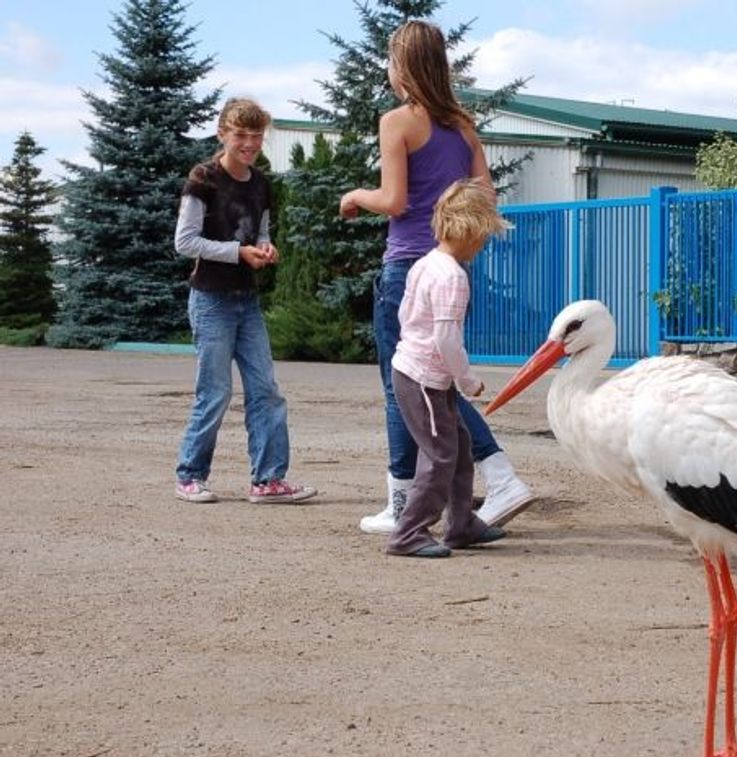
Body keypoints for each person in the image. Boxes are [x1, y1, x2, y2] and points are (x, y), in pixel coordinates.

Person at [339, 19, 534, 534]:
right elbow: (487, 199)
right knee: (437, 383)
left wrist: (356, 197)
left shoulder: (398, 122)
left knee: (401, 384)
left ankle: (408, 500)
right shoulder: (463, 128)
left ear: (401, 66)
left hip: (407, 266)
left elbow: (395, 201)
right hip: (452, 267)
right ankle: (483, 480)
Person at [174, 97, 317, 505]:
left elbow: (262, 232)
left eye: (256, 136)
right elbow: (185, 242)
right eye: (241, 135)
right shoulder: (203, 178)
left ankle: (268, 481)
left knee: (266, 390)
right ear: (223, 134)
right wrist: (238, 253)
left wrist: (264, 248)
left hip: (246, 301)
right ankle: (190, 475)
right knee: (215, 392)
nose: (250, 144)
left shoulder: (260, 183)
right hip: (211, 301)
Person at [380, 179, 511, 557]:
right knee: (439, 454)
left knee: (461, 444)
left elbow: (406, 314)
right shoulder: (453, 277)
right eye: (484, 235)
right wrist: (466, 379)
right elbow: (446, 339)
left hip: (413, 371)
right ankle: (409, 533)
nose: (484, 244)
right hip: (425, 379)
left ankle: (461, 524)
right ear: (470, 230)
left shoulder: (426, 263)